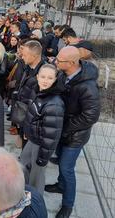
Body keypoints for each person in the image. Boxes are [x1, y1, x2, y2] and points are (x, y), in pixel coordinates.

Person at [45, 46, 100, 218]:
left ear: (71, 63)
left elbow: (91, 116)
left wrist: (66, 126)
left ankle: (68, 204)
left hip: (75, 135)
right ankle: (61, 185)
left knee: (67, 168)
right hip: (63, 129)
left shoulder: (88, 86)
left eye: (59, 61)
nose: (55, 62)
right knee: (61, 160)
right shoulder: (64, 74)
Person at [20, 64, 65, 195]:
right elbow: (32, 115)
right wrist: (27, 132)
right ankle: (23, 192)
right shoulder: (38, 91)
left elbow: (51, 136)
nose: (45, 80)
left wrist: (43, 158)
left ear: (55, 80)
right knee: (23, 164)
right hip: (33, 139)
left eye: (50, 78)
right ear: (37, 77)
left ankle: (35, 201)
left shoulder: (54, 104)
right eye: (43, 76)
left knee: (36, 176)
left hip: (41, 144)